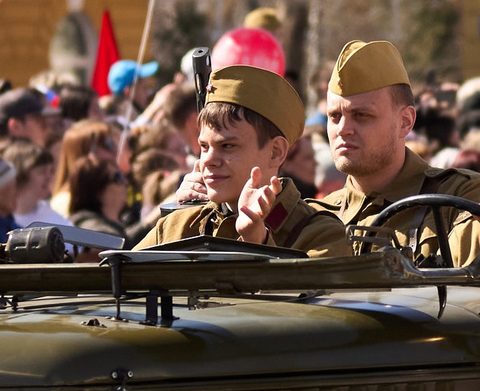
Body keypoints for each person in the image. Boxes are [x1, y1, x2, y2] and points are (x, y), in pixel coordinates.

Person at [316, 39, 480, 263]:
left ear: (405, 121)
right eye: (335, 116)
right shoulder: (316, 218)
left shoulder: (458, 199)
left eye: (361, 115)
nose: (343, 129)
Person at [139, 66, 353, 256]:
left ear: (275, 152)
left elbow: (296, 298)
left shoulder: (319, 235)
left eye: (228, 146)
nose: (209, 161)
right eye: (204, 147)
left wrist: (257, 243)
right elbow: (116, 281)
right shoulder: (179, 226)